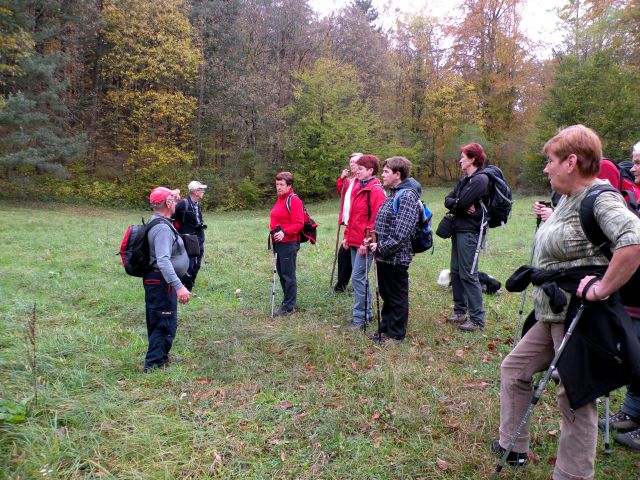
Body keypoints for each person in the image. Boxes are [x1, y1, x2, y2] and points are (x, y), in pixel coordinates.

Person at [494, 125, 640, 478]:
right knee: (514, 369)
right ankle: (512, 445)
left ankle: (572, 474)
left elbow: (633, 239)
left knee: (574, 395)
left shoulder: (599, 197)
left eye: (550, 160)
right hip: (551, 311)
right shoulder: (566, 200)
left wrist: (602, 288)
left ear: (572, 161)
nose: (546, 168)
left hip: (579, 313)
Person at [601, 142, 640, 451]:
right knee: (634, 352)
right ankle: (632, 411)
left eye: (638, 163)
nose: (633, 168)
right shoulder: (635, 199)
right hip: (634, 294)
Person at [367, 156, 421, 342]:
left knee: (396, 296)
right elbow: (388, 225)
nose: (382, 175)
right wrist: (373, 240)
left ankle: (396, 334)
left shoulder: (406, 196)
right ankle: (386, 328)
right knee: (387, 294)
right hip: (384, 255)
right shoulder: (394, 193)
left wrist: (380, 246)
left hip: (396, 258)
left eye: (386, 172)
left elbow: (402, 233)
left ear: (398, 174)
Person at [143, 187, 192, 372]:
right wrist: (179, 286)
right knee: (163, 321)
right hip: (162, 281)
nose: (177, 202)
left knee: (161, 319)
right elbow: (163, 260)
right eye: (174, 199)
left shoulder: (159, 220)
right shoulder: (162, 228)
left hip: (159, 280)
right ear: (168, 203)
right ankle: (154, 365)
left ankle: (161, 355)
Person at [444, 143, 490, 332]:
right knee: (455, 272)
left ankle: (477, 319)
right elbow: (448, 200)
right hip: (458, 229)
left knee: (468, 273)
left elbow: (461, 204)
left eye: (463, 156)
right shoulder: (465, 180)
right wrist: (458, 203)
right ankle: (460, 310)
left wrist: (459, 203)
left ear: (472, 159)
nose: (460, 160)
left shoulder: (481, 179)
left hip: (471, 231)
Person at [342, 155, 386, 329]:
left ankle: (359, 319)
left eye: (361, 168)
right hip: (353, 240)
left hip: (365, 242)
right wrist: (347, 235)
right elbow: (352, 215)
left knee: (358, 278)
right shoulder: (356, 187)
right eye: (357, 168)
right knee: (359, 278)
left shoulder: (375, 190)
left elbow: (377, 220)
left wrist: (366, 242)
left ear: (370, 170)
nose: (357, 171)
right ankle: (366, 313)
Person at [269, 172, 304, 317]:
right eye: (277, 184)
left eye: (281, 184)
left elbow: (299, 223)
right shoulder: (279, 199)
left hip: (288, 243)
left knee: (288, 275)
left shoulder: (293, 200)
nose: (278, 187)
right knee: (282, 274)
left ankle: (289, 307)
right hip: (278, 242)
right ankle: (287, 302)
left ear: (289, 185)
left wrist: (284, 232)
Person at [333, 152, 362, 293]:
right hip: (349, 225)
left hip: (359, 226)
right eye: (351, 162)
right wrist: (341, 179)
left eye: (355, 162)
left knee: (350, 254)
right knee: (344, 254)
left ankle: (345, 285)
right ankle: (341, 285)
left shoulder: (363, 182)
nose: (352, 164)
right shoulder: (350, 180)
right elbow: (342, 193)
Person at [174, 180, 208, 291]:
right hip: (188, 239)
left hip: (199, 238)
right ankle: (181, 289)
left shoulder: (197, 204)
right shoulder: (183, 203)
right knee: (188, 266)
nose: (203, 191)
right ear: (195, 191)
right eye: (201, 189)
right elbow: (171, 217)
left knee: (197, 265)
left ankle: (189, 288)